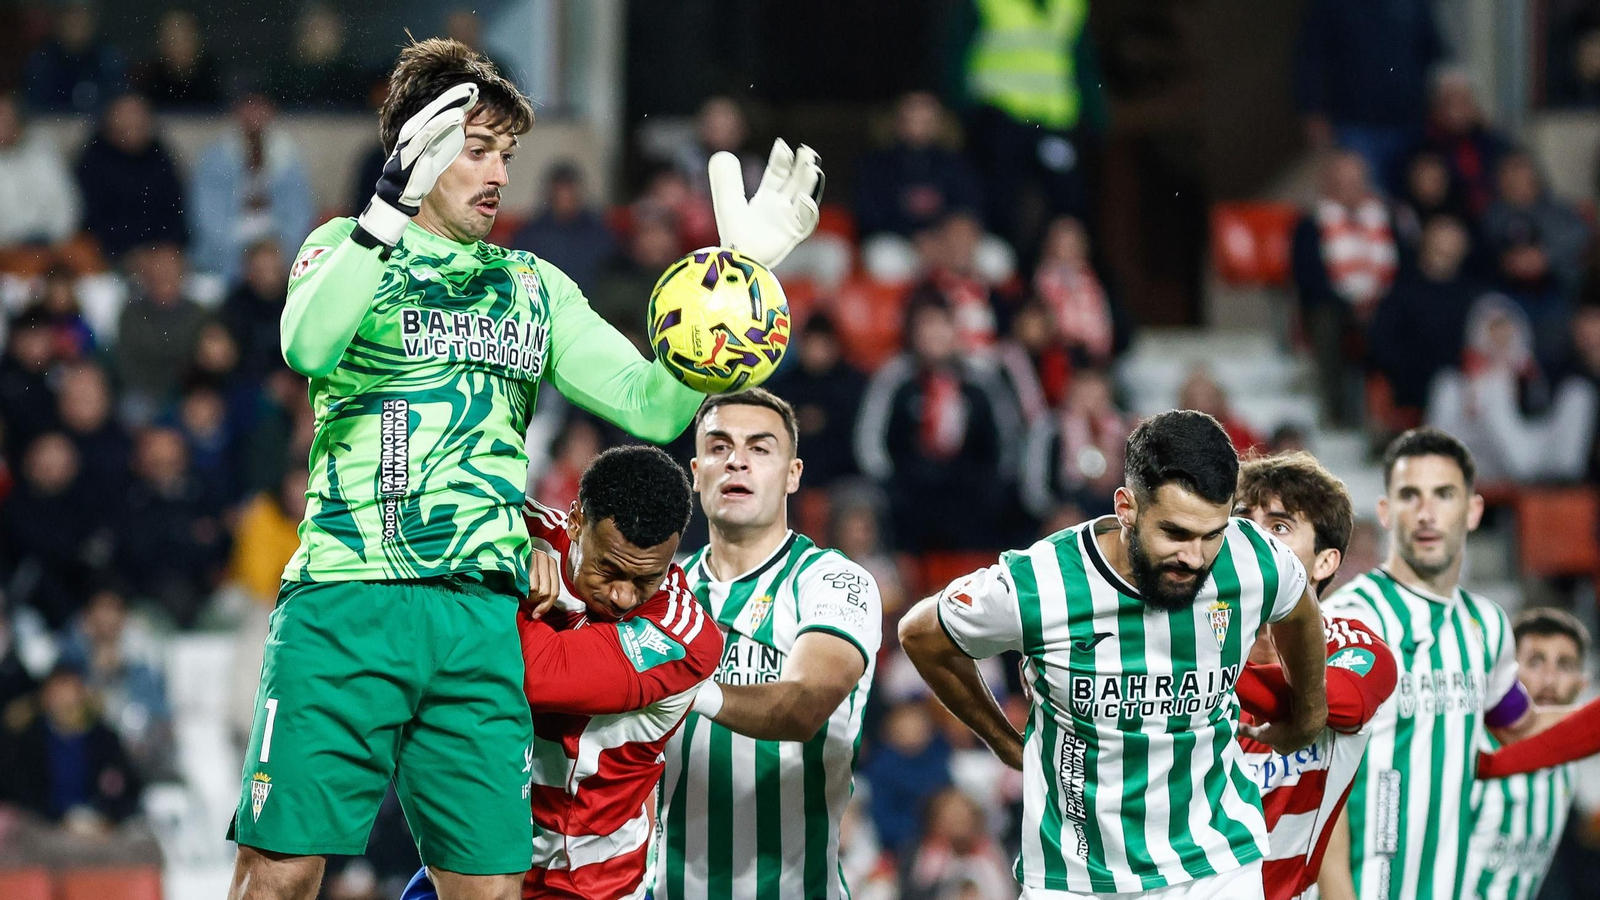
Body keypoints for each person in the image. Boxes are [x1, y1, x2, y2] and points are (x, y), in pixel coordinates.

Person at [227, 38, 821, 900]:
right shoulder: (345, 248)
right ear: (413, 150)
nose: (500, 172)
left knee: (493, 891)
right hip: (349, 597)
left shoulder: (532, 285)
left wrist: (737, 285)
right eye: (476, 149)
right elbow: (305, 343)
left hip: (480, 619)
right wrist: (385, 210)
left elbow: (652, 409)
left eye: (506, 152)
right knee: (279, 875)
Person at [898, 409, 1330, 899]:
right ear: (1126, 507)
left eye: (1212, 535)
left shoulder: (1253, 557)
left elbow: (1298, 604)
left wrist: (1310, 711)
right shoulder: (1039, 582)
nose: (1194, 556)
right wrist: (1002, 739)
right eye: (1175, 533)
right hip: (1077, 877)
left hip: (1215, 864)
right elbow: (920, 633)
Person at [402, 446, 722, 899]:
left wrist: (502, 572)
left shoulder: (684, 636)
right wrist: (511, 548)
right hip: (471, 856)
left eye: (646, 579)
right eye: (609, 570)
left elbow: (535, 674)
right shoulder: (517, 527)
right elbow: (422, 511)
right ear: (575, 522)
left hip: (582, 879)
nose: (624, 597)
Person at [1319, 428, 1586, 900]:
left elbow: (1518, 727)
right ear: (1385, 512)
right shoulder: (1349, 620)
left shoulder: (1487, 626)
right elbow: (1317, 773)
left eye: (1444, 495)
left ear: (1474, 510)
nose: (1426, 513)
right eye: (1409, 495)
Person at [655, 390, 885, 900]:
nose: (736, 460)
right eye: (718, 448)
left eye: (760, 449)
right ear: (695, 472)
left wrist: (684, 690)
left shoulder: (834, 581)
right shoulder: (659, 591)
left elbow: (804, 706)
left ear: (793, 474)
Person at [1228, 452, 1399, 900]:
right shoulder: (1181, 634)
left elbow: (1325, 699)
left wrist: (1193, 662)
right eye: (1241, 520)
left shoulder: (1357, 648)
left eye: (1279, 527)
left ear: (1325, 563)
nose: (1251, 537)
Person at [855, 299, 1019, 551]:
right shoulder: (894, 377)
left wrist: (995, 482)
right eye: (927, 326)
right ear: (913, 333)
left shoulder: (982, 379)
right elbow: (870, 439)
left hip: (968, 490)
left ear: (956, 331)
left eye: (942, 325)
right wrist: (888, 482)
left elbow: (1007, 437)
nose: (935, 334)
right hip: (910, 488)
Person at [1464, 608, 1589, 900]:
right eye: (1535, 661)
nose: (1549, 679)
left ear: (1583, 683)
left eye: (1565, 665)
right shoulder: (1470, 750)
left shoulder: (1568, 765)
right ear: (1505, 676)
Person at [1427, 295, 1598, 483]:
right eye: (1494, 329)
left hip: (1535, 452)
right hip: (1481, 458)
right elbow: (1441, 438)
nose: (1501, 336)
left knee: (1579, 393)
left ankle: (1562, 472)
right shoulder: (1455, 381)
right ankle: (1526, 467)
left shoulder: (1532, 375)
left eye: (1506, 328)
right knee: (1495, 388)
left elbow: (1539, 418)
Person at [1291, 150, 1398, 426]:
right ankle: (1336, 415)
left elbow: (1402, 273)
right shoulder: (1310, 225)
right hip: (1335, 307)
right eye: (1342, 183)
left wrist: (1376, 303)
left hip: (1383, 305)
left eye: (1356, 182)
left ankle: (1391, 419)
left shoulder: (1388, 220)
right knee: (1326, 321)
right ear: (1328, 186)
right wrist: (1354, 305)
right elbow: (1309, 279)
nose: (1350, 190)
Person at [1292, 0, 1442, 189]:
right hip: (1355, 125)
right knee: (1365, 201)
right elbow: (1310, 58)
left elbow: (1434, 52)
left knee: (1408, 203)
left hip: (1411, 124)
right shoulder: (1330, 5)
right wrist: (1312, 110)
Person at [188, 92, 314, 284]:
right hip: (225, 255)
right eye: (248, 107)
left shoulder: (288, 157)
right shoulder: (216, 157)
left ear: (270, 111)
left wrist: (278, 254)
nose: (254, 114)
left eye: (260, 107)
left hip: (277, 249)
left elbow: (301, 215)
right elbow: (206, 220)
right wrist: (242, 259)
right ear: (237, 112)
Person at [1367, 215, 1484, 416]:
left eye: (1454, 241)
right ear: (1426, 243)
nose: (1447, 247)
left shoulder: (1474, 295)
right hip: (1416, 387)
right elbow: (1383, 345)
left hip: (1469, 387)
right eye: (1441, 239)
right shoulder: (1401, 293)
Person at [75, 92, 187, 260]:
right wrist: (132, 252)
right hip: (110, 256)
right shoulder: (91, 163)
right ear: (109, 120)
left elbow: (175, 214)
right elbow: (90, 222)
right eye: (125, 115)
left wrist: (161, 248)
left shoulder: (160, 158)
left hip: (159, 255)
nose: (133, 122)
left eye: (138, 114)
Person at [768, 312, 864, 488]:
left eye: (822, 345)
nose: (816, 352)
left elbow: (861, 437)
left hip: (844, 474)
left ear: (835, 346)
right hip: (791, 473)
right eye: (811, 344)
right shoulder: (783, 385)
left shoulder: (854, 385)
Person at [113, 243, 207, 422]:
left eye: (171, 269)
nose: (165, 275)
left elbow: (200, 361)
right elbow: (125, 362)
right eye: (159, 269)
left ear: (182, 274)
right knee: (133, 410)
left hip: (187, 393)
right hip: (144, 392)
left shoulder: (198, 313)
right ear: (147, 275)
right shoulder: (131, 313)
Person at [510, 161, 615, 293]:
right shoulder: (532, 233)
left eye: (569, 191)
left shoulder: (596, 232)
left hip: (589, 304)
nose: (564, 198)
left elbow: (611, 271)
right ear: (550, 194)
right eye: (559, 191)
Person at [0, 92, 82, 247]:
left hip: (54, 245)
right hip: (8, 251)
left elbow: (68, 203)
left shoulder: (43, 153)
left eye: (6, 117)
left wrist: (55, 238)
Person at [22, 1, 126, 113]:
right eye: (71, 13)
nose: (77, 21)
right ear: (58, 18)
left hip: (100, 128)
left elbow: (120, 106)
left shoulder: (109, 58)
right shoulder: (40, 61)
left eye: (84, 13)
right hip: (49, 127)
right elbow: (32, 109)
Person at [133, 8, 222, 110]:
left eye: (184, 40)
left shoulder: (215, 76)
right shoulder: (147, 79)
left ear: (197, 41)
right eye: (172, 41)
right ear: (161, 44)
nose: (179, 48)